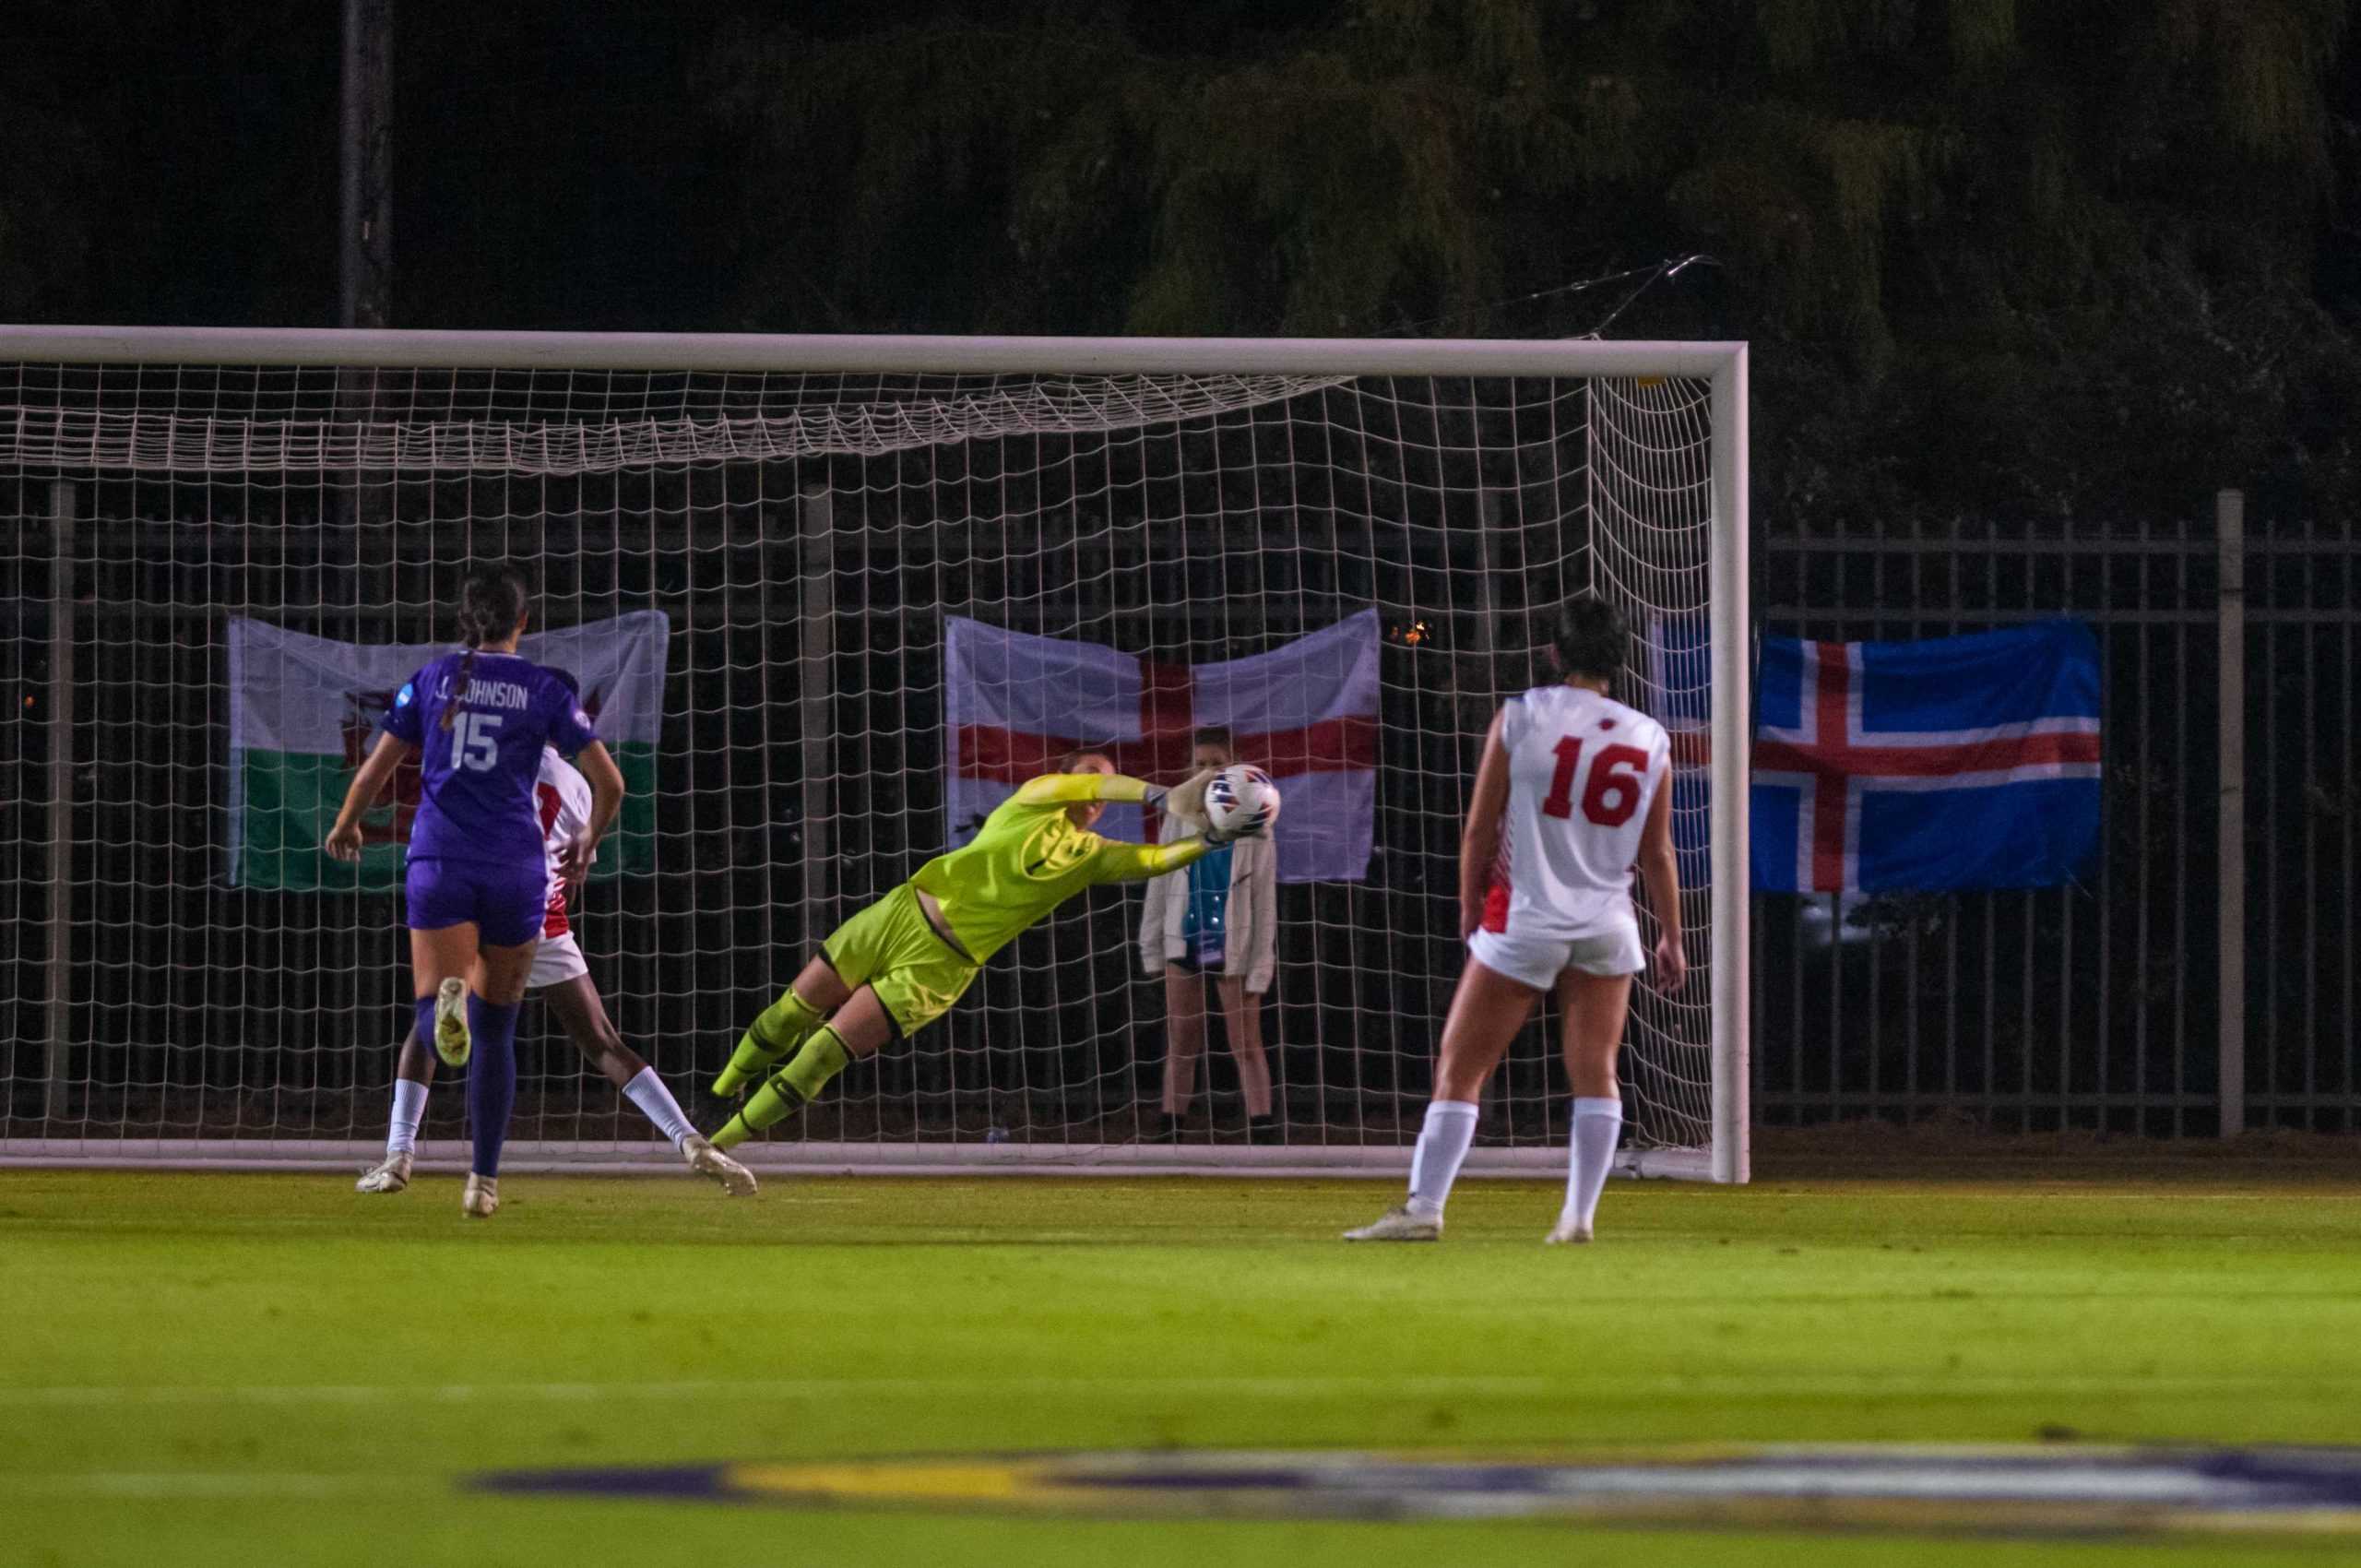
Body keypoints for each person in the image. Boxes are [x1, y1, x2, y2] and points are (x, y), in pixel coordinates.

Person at [705, 753, 1267, 1150]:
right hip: (900, 914)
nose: (1101, 787)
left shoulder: (1093, 854)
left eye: (1108, 779)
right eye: (1093, 775)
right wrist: (1160, 795)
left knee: (824, 1054)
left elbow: (1151, 861)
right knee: (789, 1013)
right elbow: (1093, 788)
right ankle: (717, 1095)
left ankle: (719, 1144)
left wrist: (1212, 839)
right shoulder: (1034, 797)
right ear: (1067, 778)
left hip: (941, 966)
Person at [1346, 595, 1686, 1244]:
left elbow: (1479, 827)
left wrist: (1471, 902)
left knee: (1460, 1067)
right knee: (1596, 1069)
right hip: (1608, 921)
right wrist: (1671, 934)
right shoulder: (1650, 737)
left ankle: (1423, 1209)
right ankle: (1578, 1216)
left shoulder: (1523, 716)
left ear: (1553, 654)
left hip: (1527, 916)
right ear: (1620, 661)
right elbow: (1658, 852)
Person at [353, 672, 754, 1200]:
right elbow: (573, 859)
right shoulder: (578, 784)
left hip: (477, 905)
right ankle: (690, 1141)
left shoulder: (486, 762)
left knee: (429, 1026)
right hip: (541, 917)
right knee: (602, 1040)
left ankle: (398, 1156)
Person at [326, 564, 623, 1219]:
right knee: (498, 1031)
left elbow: (377, 770)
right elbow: (612, 784)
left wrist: (347, 824)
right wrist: (589, 839)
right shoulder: (543, 689)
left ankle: (441, 1018)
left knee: (433, 1010)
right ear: (524, 622)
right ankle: (482, 1184)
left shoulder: (434, 679)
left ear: (466, 620)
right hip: (516, 867)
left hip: (441, 858)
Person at [1138, 727, 1280, 1142]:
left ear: (1235, 769)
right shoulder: (1178, 816)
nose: (1207, 771)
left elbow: (1264, 904)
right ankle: (1172, 1123)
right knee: (1183, 1038)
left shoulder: (1258, 828)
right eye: (1199, 764)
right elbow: (1159, 881)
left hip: (1233, 946)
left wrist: (1260, 968)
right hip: (1183, 939)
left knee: (1245, 1041)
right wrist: (1151, 949)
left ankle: (1262, 1125)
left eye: (1216, 763)